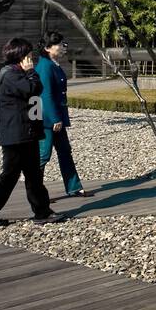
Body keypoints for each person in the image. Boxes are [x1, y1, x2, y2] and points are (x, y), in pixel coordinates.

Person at [0, 37, 57, 228]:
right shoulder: (11, 75)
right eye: (28, 56)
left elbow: (33, 100)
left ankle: (42, 212)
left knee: (34, 176)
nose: (31, 60)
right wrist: (31, 73)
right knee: (9, 177)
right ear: (19, 56)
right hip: (16, 135)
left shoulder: (15, 73)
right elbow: (34, 89)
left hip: (25, 133)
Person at [35, 31, 91, 199]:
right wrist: (55, 119)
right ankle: (35, 192)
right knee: (43, 155)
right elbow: (46, 95)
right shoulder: (45, 66)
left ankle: (74, 187)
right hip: (47, 119)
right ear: (47, 48)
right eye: (59, 43)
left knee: (65, 151)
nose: (63, 46)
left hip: (55, 116)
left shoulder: (52, 63)